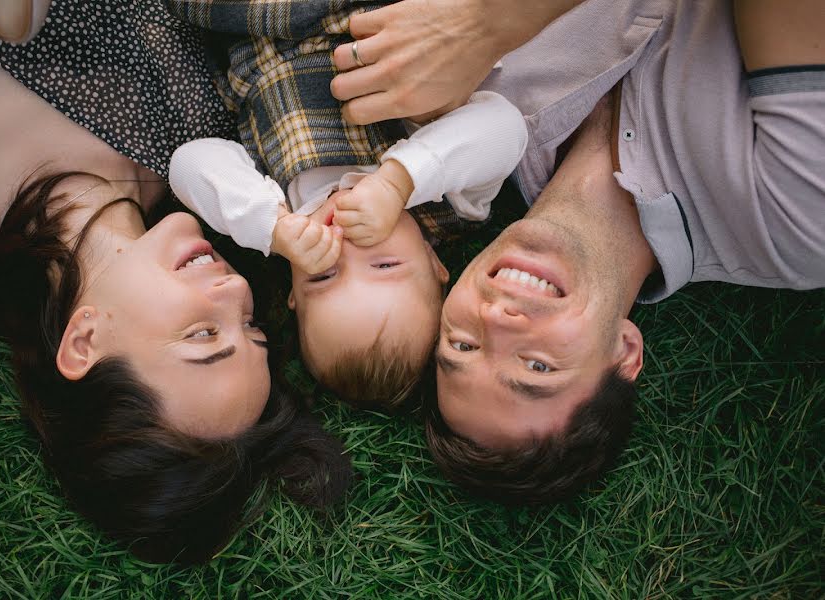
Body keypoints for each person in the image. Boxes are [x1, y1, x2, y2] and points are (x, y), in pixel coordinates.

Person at [331, 0, 825, 502]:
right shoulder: (791, 227)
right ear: (624, 352)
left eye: (462, 346)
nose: (497, 319)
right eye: (538, 367)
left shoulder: (450, 112)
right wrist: (487, 23)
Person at [0, 0, 351, 564]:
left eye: (202, 336)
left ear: (84, 342)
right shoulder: (194, 127)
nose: (236, 294)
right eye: (249, 325)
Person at [165, 0, 526, 411]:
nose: (345, 244)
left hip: (256, 21)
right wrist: (399, 182)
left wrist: (271, 227)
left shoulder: (279, 211)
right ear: (434, 263)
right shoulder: (450, 205)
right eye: (384, 265)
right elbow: (505, 126)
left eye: (322, 276)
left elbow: (189, 162)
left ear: (294, 296)